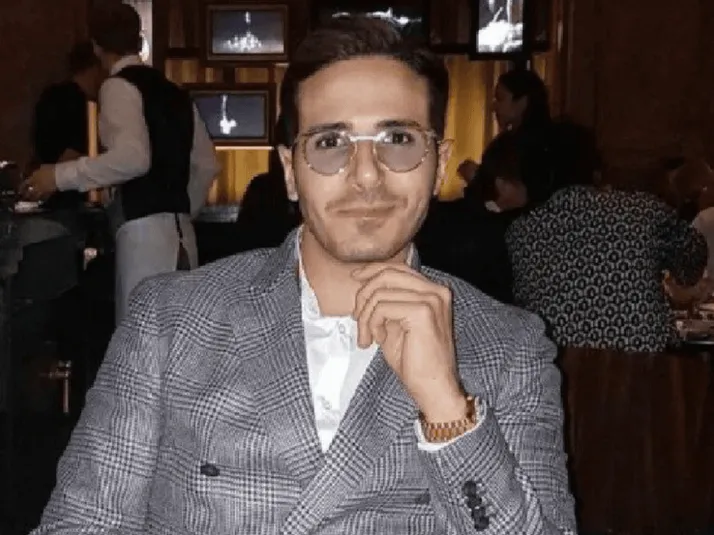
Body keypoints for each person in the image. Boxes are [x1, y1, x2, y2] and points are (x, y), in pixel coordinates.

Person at [32, 17, 576, 535]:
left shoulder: (511, 347)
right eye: (330, 143)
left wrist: (448, 411)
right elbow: (84, 522)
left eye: (398, 140)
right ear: (290, 172)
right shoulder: (170, 319)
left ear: (438, 163)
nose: (367, 176)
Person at [22, 3, 219, 324]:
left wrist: (57, 176)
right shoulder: (176, 93)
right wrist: (178, 209)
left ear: (96, 46)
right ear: (139, 42)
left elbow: (132, 159)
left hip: (141, 236)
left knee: (138, 341)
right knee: (179, 340)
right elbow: (207, 164)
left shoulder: (117, 86)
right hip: (183, 234)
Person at [29, 41, 103, 217]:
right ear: (95, 68)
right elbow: (73, 151)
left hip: (48, 193)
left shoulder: (49, 96)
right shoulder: (84, 106)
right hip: (71, 197)